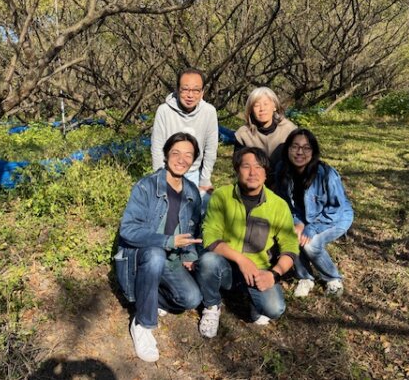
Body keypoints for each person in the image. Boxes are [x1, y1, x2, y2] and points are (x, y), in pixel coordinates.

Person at [115, 132, 204, 362]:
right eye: (176, 153)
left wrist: (189, 254)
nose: (182, 159)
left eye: (188, 155)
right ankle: (142, 323)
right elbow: (128, 230)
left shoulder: (192, 192)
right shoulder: (146, 186)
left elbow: (191, 230)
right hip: (141, 255)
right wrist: (167, 241)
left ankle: (150, 298)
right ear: (166, 155)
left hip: (170, 259)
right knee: (155, 254)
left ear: (194, 160)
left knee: (191, 299)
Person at [194, 147, 299, 338]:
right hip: (226, 266)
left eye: (258, 167)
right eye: (246, 166)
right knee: (208, 261)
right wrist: (242, 260)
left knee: (275, 308)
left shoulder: (278, 205)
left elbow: (290, 247)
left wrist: (274, 274)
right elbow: (210, 236)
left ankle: (253, 301)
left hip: (258, 272)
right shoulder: (222, 196)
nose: (252, 172)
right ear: (237, 170)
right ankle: (211, 305)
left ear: (266, 173)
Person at [274, 128, 354, 298]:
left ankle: (333, 278)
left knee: (311, 244)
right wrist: (297, 222)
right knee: (292, 235)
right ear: (287, 149)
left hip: (335, 217)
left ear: (313, 152)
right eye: (295, 146)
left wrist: (312, 228)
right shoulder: (282, 169)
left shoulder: (326, 174)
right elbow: (284, 203)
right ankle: (305, 277)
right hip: (303, 216)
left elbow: (335, 208)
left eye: (306, 148)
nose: (299, 152)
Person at [151, 68, 218, 197]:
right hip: (168, 171)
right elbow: (157, 148)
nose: (190, 95)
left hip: (194, 172)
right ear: (177, 90)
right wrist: (160, 178)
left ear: (202, 92)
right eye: (185, 89)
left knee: (203, 203)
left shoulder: (209, 112)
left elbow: (211, 149)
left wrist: (205, 180)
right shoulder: (164, 111)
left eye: (196, 90)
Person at [234, 87, 297, 179]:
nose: (262, 109)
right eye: (256, 105)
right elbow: (239, 165)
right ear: (251, 110)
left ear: (274, 106)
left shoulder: (289, 130)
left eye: (266, 104)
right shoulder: (243, 134)